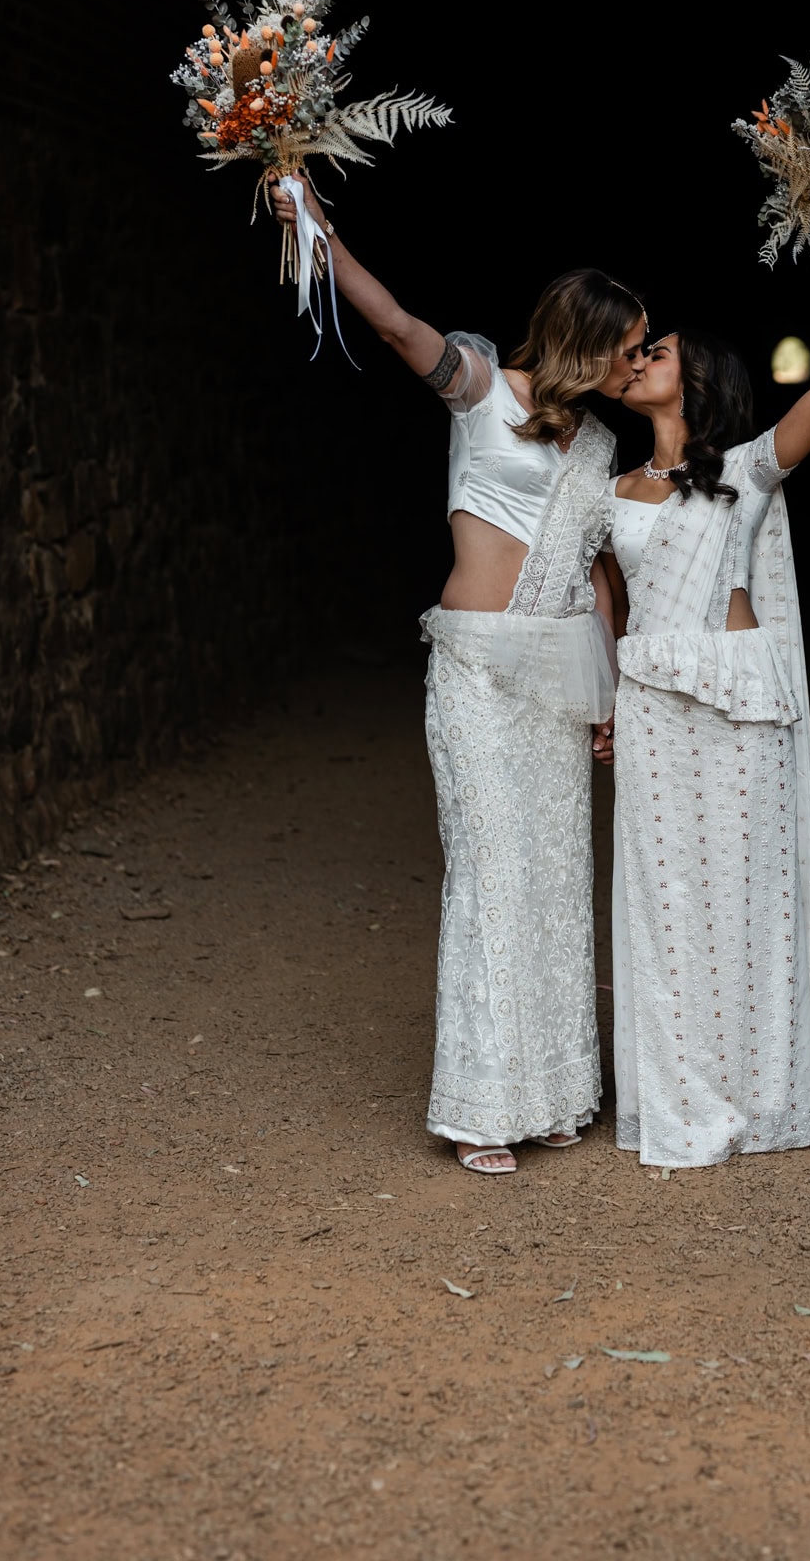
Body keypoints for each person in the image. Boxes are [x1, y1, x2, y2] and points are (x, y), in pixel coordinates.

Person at [269, 177, 647, 1175]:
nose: (637, 361)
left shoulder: (605, 442)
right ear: (586, 338)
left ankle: (556, 1091)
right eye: (628, 343)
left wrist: (607, 696)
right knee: (492, 871)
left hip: (562, 673)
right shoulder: (482, 388)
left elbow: (598, 576)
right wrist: (314, 224)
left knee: (558, 878)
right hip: (478, 672)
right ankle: (484, 1103)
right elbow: (395, 323)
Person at [601, 230, 810, 1167]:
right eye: (633, 355)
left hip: (740, 702)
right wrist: (598, 705)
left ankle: (760, 1094)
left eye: (656, 351)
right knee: (666, 902)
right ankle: (681, 1091)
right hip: (648, 706)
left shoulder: (749, 468)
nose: (638, 362)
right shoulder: (606, 493)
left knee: (749, 897)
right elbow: (601, 611)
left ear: (700, 376)